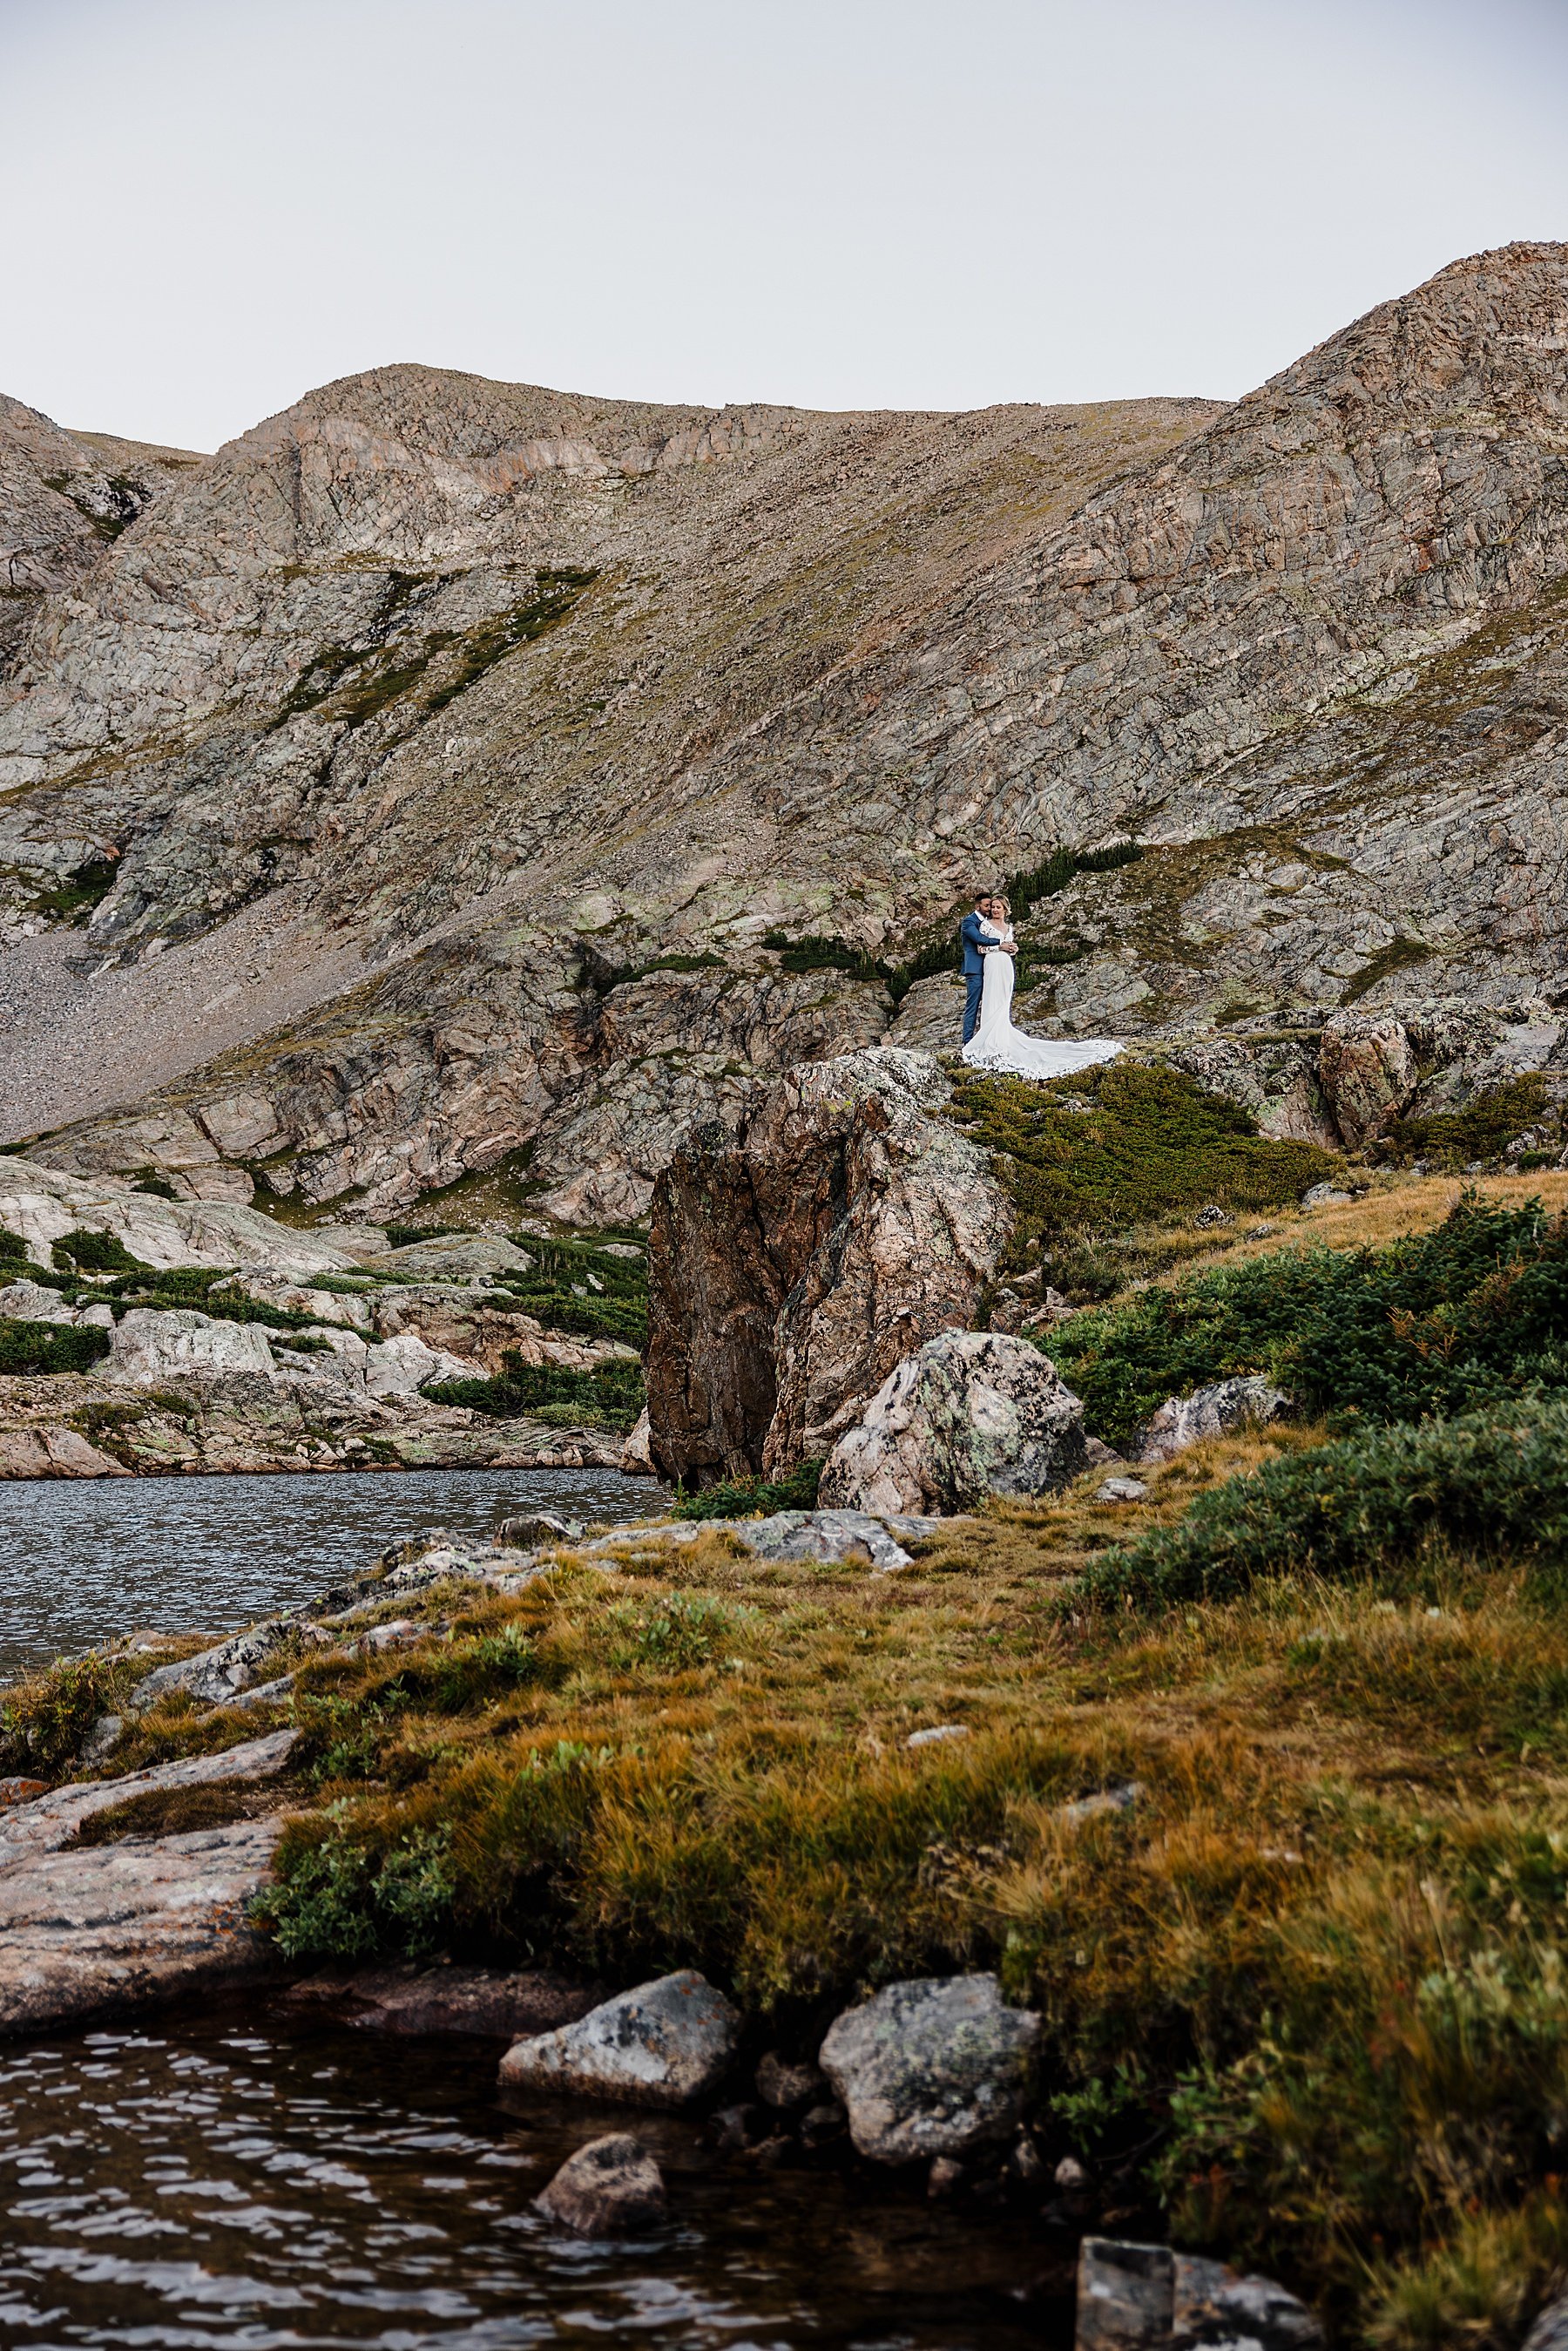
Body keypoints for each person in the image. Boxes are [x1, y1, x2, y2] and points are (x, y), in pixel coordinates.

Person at [960, 891, 1124, 1080]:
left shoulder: (1009, 927)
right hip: (992, 963)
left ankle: (1000, 1037)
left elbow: (1009, 945)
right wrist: (1001, 946)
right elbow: (981, 946)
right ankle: (983, 1041)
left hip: (1005, 965)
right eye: (992, 907)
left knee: (1003, 1001)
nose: (994, 910)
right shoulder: (983, 925)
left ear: (1005, 909)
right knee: (991, 1000)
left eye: (997, 907)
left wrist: (1012, 948)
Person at [959, 890, 1000, 1044]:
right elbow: (978, 939)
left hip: (990, 967)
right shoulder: (968, 922)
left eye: (991, 906)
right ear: (978, 907)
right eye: (987, 905)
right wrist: (1000, 942)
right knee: (973, 1005)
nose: (990, 909)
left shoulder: (989, 923)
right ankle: (967, 1040)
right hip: (975, 969)